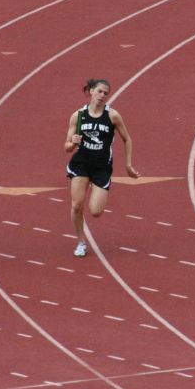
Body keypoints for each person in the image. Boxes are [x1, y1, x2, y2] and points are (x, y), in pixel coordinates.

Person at [65, 79, 140, 257]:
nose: (102, 96)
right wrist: (72, 143)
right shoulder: (79, 116)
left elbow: (127, 139)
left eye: (106, 93)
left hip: (102, 168)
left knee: (96, 212)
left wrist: (128, 165)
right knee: (76, 205)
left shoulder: (112, 116)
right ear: (91, 91)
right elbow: (66, 146)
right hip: (81, 164)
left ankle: (96, 187)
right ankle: (81, 242)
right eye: (99, 91)